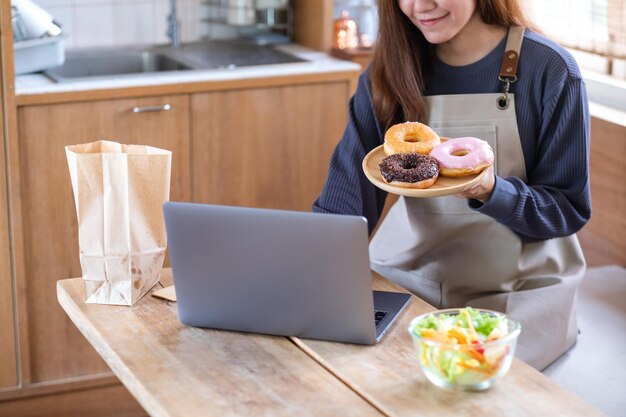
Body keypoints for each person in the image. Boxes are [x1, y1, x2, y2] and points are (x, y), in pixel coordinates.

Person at [313, 0, 591, 371]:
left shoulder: (549, 70)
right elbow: (344, 205)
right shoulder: (389, 72)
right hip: (411, 279)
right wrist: (307, 274)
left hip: (519, 288)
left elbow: (565, 210)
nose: (420, 6)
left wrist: (491, 191)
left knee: (465, 381)